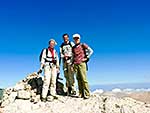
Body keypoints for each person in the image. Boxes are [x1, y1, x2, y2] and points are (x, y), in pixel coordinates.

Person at [72, 33, 93, 99]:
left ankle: (87, 94)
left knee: (84, 79)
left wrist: (87, 58)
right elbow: (73, 56)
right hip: (76, 64)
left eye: (77, 38)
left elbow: (91, 51)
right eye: (75, 38)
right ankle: (81, 93)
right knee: (78, 79)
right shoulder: (73, 47)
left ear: (79, 39)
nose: (76, 39)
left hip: (82, 63)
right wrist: (72, 64)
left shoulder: (83, 45)